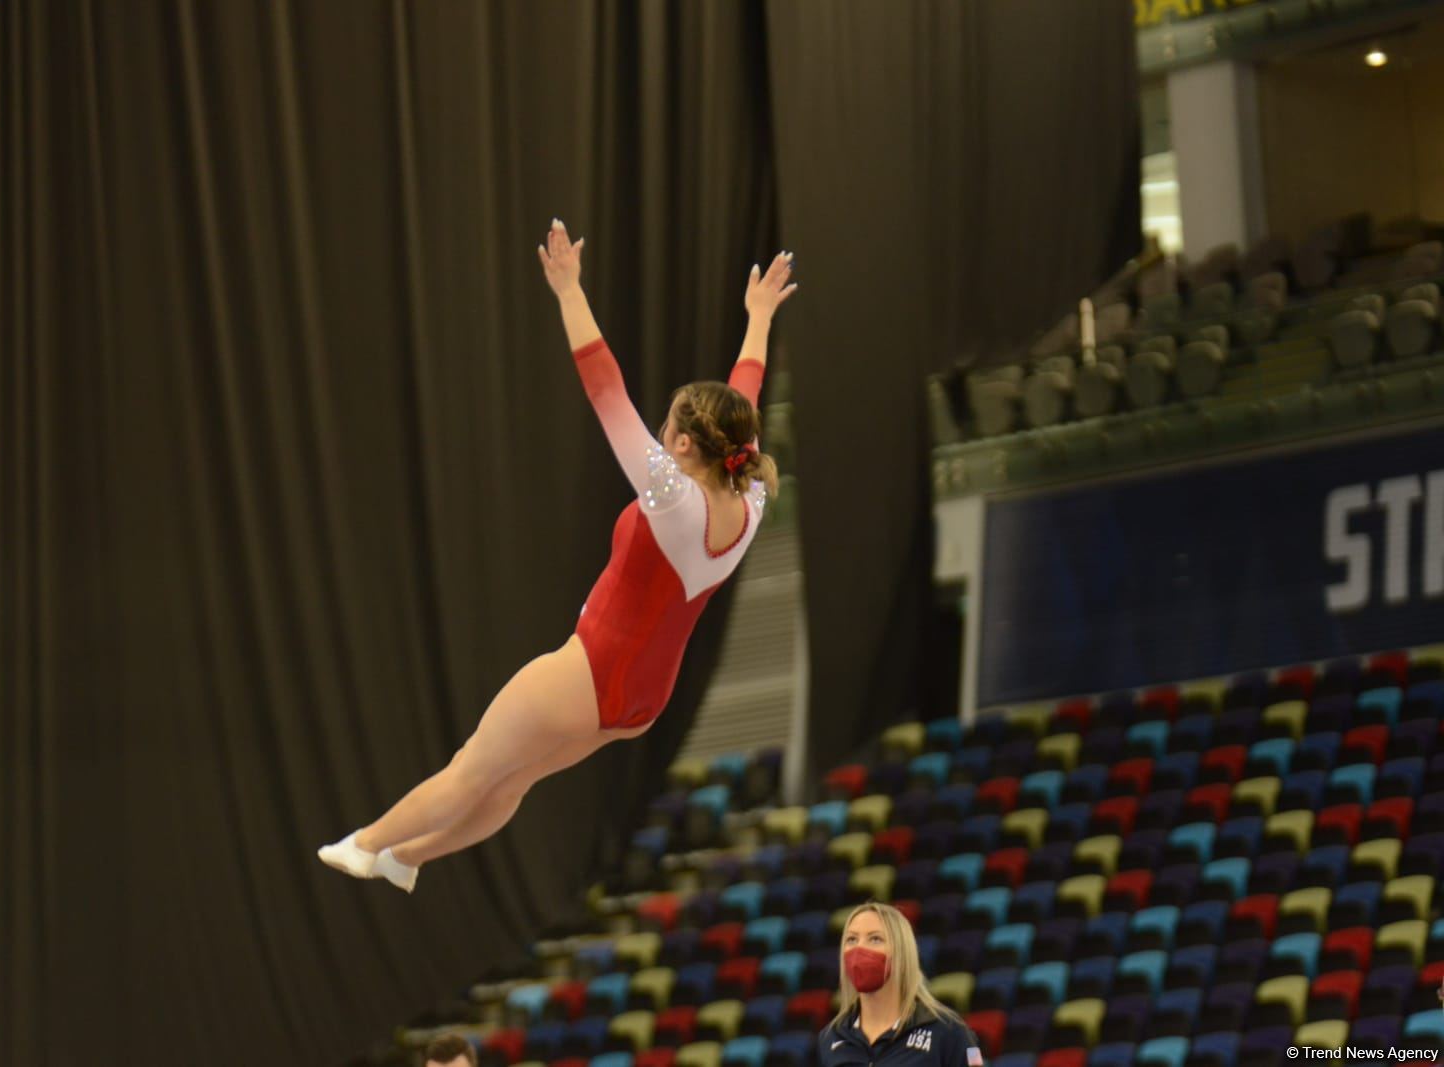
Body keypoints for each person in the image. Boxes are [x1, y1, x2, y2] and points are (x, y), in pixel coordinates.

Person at [318, 218, 797, 888]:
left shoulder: (671, 496)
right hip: (643, 700)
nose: (659, 433)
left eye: (667, 426)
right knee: (516, 779)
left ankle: (368, 843)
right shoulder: (750, 501)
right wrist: (758, 318)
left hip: (591, 669)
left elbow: (606, 391)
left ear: (684, 444)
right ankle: (409, 859)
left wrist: (570, 291)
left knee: (474, 769)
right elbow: (744, 395)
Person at [819, 903, 984, 1067]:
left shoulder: (951, 1030)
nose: (859, 948)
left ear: (901, 951)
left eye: (875, 939)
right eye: (851, 939)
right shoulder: (829, 1037)